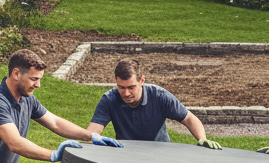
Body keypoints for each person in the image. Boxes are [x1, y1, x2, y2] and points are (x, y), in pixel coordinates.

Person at [86, 58, 222, 149]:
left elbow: (189, 118)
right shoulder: (110, 99)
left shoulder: (159, 96)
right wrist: (88, 139)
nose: (126, 93)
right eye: (121, 87)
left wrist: (202, 139)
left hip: (160, 153)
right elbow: (93, 131)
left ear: (142, 81)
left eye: (131, 87)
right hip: (126, 153)